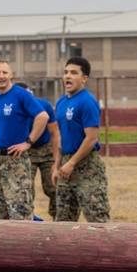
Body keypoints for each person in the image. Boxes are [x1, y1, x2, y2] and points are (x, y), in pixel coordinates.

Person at [0, 60, 49, 220]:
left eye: (5, 72)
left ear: (11, 74)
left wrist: (28, 143)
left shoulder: (21, 95)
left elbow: (43, 116)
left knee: (20, 212)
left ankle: (25, 244)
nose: (1, 76)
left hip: (16, 161)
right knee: (0, 212)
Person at [52, 56, 110, 222]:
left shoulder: (87, 101)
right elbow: (63, 138)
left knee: (97, 219)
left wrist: (72, 163)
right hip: (66, 169)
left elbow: (91, 138)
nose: (67, 76)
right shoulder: (61, 103)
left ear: (84, 79)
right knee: (63, 222)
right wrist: (57, 166)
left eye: (73, 73)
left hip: (87, 168)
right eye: (66, 72)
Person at [18, 82, 60, 221]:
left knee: (53, 187)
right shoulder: (16, 109)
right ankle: (29, 219)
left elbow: (54, 133)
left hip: (46, 150)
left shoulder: (44, 106)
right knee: (26, 189)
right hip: (27, 151)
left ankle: (57, 218)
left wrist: (56, 161)